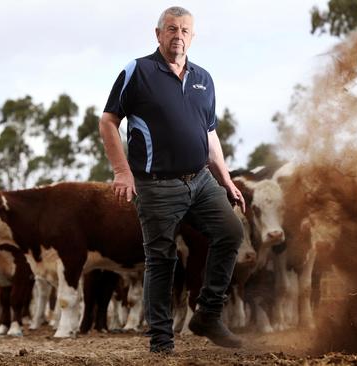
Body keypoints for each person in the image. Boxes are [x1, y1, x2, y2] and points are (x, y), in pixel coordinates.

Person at [99, 6, 246, 354]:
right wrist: (122, 171)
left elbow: (209, 134)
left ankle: (207, 314)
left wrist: (226, 179)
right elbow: (108, 121)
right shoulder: (138, 70)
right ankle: (161, 341)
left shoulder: (204, 78)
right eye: (171, 29)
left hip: (200, 180)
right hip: (155, 184)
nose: (177, 35)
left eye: (184, 30)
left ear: (192, 37)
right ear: (158, 34)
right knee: (162, 257)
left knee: (231, 233)